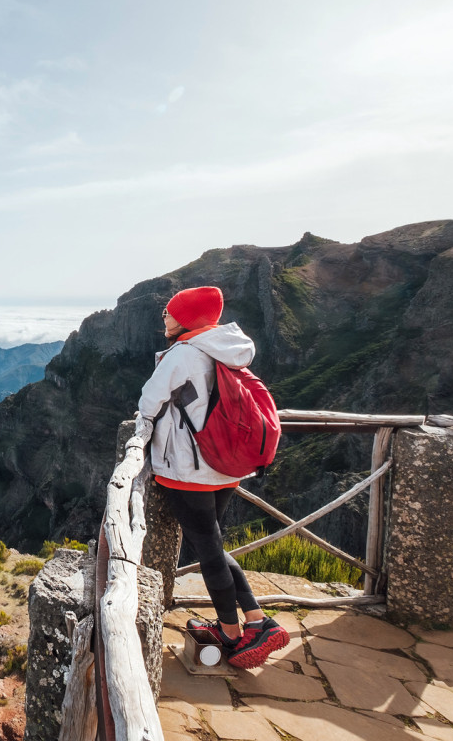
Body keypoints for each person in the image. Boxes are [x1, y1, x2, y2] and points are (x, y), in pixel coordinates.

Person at [137, 285, 289, 669]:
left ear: (187, 318)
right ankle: (253, 620)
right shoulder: (226, 346)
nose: (165, 320)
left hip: (189, 468)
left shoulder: (184, 353)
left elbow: (149, 401)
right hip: (224, 465)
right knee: (214, 545)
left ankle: (234, 631)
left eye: (170, 314)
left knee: (207, 551)